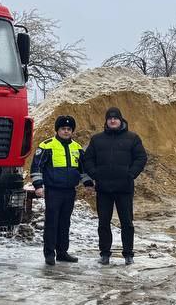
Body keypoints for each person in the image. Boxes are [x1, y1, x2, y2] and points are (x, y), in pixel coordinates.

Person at [81, 106, 147, 265]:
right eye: (109, 118)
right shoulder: (97, 139)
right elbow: (87, 159)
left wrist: (130, 174)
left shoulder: (132, 138)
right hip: (103, 189)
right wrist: (95, 174)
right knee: (103, 223)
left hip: (124, 188)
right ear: (106, 121)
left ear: (120, 120)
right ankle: (104, 254)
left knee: (127, 223)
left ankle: (128, 254)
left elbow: (141, 158)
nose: (112, 120)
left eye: (115, 118)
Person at [30, 115, 93, 266]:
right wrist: (38, 186)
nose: (66, 131)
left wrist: (88, 183)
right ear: (57, 130)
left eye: (69, 129)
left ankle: (62, 252)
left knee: (65, 223)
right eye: (63, 129)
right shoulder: (46, 146)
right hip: (53, 191)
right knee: (52, 223)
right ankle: (49, 254)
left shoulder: (77, 148)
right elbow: (37, 167)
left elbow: (82, 169)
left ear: (72, 131)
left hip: (69, 191)